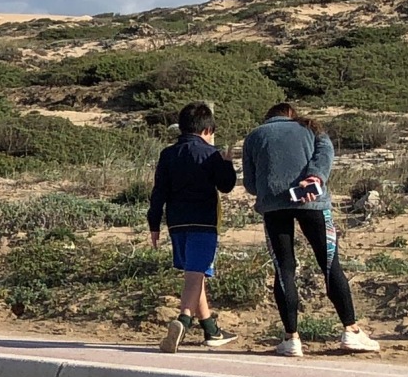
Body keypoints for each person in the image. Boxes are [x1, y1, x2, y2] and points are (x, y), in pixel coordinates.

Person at [241, 101, 374, 357]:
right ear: (292, 114)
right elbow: (325, 155)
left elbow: (250, 184)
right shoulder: (312, 130)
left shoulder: (255, 136)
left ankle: (292, 338)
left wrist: (271, 189)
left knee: (284, 270)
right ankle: (351, 330)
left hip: (273, 207)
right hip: (312, 202)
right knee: (329, 263)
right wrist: (314, 176)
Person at [147, 101, 238, 352]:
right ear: (207, 129)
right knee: (194, 276)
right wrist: (227, 162)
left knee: (196, 274)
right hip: (203, 222)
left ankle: (211, 329)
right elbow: (226, 185)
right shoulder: (210, 154)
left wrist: (154, 223)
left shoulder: (168, 154)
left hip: (176, 222)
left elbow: (158, 192)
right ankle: (183, 320)